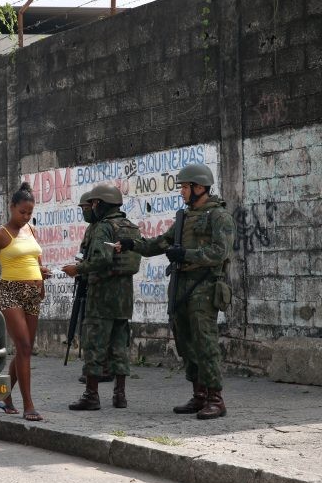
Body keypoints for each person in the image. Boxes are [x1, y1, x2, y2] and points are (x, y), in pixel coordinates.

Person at [116, 164, 235, 420]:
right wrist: (131, 244)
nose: (181, 191)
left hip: (204, 285)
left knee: (205, 342)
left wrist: (187, 254)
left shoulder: (218, 216)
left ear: (199, 187)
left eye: (184, 186)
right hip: (181, 284)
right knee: (185, 340)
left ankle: (216, 398)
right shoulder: (184, 216)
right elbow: (161, 242)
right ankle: (199, 394)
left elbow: (220, 252)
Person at [0, 182, 51, 422]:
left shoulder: (32, 231)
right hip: (10, 293)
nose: (26, 217)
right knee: (25, 347)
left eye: (30, 213)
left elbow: (36, 262)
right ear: (11, 207)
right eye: (22, 212)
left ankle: (6, 398)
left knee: (24, 350)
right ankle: (29, 405)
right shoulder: (0, 234)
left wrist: (42, 277)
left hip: (33, 294)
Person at [62, 184, 141, 411]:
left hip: (102, 295)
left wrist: (77, 269)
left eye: (95, 203)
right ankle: (120, 395)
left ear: (103, 204)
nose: (92, 207)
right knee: (119, 345)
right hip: (124, 295)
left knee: (94, 344)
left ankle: (91, 395)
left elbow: (102, 260)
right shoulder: (130, 227)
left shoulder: (102, 228)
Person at [73, 189, 115, 385]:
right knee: (87, 324)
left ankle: (102, 367)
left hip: (101, 283)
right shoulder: (91, 228)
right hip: (88, 280)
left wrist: (81, 267)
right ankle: (94, 366)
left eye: (87, 208)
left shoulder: (103, 227)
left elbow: (102, 258)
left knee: (99, 329)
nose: (85, 211)